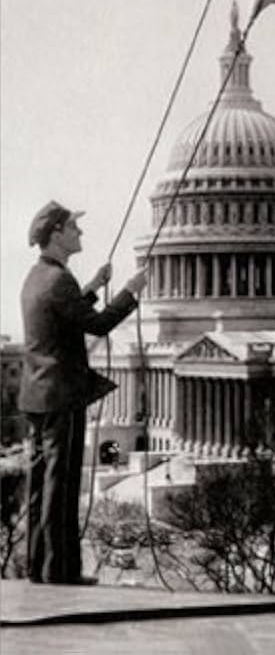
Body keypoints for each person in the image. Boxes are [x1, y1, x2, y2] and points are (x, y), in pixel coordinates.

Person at [19, 200, 147, 585]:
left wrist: (92, 287)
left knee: (41, 487)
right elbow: (99, 325)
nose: (80, 234)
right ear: (56, 232)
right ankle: (60, 573)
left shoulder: (38, 276)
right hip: (62, 397)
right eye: (74, 227)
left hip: (38, 396)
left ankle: (40, 568)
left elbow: (65, 315)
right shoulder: (59, 280)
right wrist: (129, 291)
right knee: (62, 486)